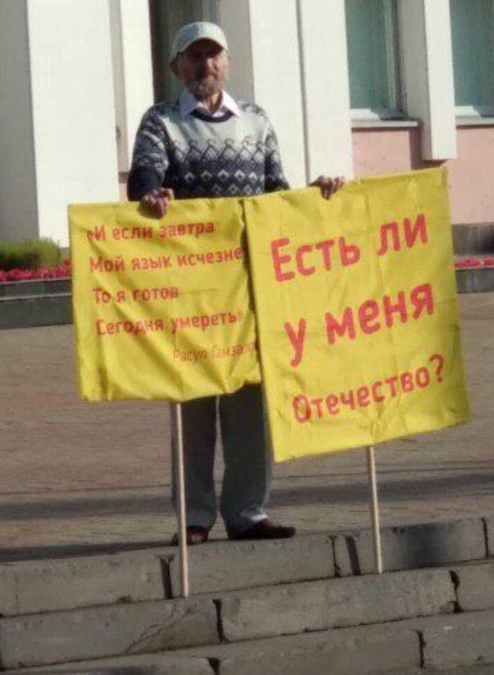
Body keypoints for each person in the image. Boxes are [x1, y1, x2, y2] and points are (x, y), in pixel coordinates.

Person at [128, 21, 344, 544]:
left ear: (227, 62)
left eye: (214, 56)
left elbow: (277, 196)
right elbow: (143, 178)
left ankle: (248, 512)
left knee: (251, 407)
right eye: (195, 57)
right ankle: (196, 519)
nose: (206, 65)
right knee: (195, 405)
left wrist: (319, 196)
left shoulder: (257, 121)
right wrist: (154, 197)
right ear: (177, 67)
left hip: (251, 288)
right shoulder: (161, 122)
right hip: (192, 292)